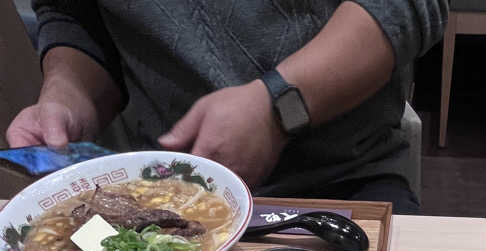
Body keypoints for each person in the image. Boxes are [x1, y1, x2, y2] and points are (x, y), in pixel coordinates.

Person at [5, 0, 447, 213]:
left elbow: (405, 6)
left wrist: (279, 108)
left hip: (343, 181)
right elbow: (75, 17)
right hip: (160, 197)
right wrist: (67, 96)